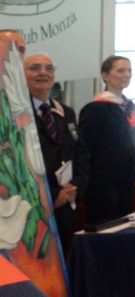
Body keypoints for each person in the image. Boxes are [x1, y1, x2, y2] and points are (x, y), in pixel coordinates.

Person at [25, 52, 87, 258]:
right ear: (21, 74)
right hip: (32, 206)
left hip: (66, 202)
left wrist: (75, 186)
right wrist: (51, 194)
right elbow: (17, 163)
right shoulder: (13, 115)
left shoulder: (66, 112)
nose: (43, 73)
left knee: (64, 261)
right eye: (35, 68)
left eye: (48, 69)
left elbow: (81, 153)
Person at [78, 56, 135, 223]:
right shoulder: (95, 109)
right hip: (103, 183)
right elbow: (86, 149)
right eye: (120, 70)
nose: (126, 74)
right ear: (105, 76)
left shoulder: (127, 106)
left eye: (129, 70)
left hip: (126, 180)